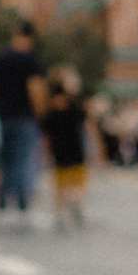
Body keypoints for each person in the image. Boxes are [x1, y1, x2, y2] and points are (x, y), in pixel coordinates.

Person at [0, 22, 47, 216]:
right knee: (23, 158)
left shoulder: (0, 57)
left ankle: (3, 200)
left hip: (4, 115)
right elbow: (34, 88)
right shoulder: (29, 59)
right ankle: (21, 201)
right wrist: (40, 114)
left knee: (5, 159)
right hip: (24, 115)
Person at [42, 66, 90, 229]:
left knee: (59, 187)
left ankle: (60, 214)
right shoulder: (74, 107)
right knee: (78, 182)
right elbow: (85, 124)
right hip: (75, 150)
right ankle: (76, 199)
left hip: (59, 153)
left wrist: (45, 153)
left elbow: (46, 136)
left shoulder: (50, 111)